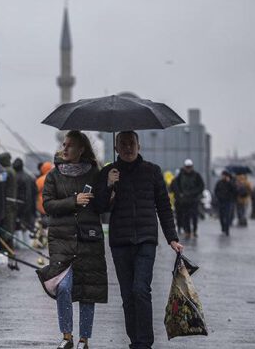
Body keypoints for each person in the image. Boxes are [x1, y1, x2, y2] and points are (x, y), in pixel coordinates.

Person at [94, 131, 183, 349]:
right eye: (122, 144)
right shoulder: (109, 172)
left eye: (131, 143)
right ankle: (135, 340)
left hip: (146, 239)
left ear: (139, 146)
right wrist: (108, 185)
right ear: (116, 148)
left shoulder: (152, 171)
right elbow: (99, 207)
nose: (127, 147)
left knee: (140, 289)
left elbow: (163, 206)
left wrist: (172, 237)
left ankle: (144, 343)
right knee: (127, 295)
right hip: (120, 241)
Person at [36, 130, 107, 349]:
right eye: (64, 145)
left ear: (81, 149)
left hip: (89, 238)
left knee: (87, 290)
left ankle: (84, 339)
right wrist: (73, 201)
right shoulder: (54, 175)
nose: (64, 148)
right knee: (64, 287)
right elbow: (48, 205)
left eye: (70, 145)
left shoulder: (95, 174)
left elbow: (103, 207)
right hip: (61, 238)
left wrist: (111, 186)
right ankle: (67, 336)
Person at [170, 159, 204, 238]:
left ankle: (194, 230)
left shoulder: (197, 175)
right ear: (184, 167)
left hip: (194, 200)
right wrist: (180, 195)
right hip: (184, 200)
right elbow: (175, 186)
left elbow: (201, 186)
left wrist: (195, 193)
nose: (188, 169)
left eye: (190, 167)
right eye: (187, 167)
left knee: (194, 216)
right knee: (186, 216)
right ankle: (187, 231)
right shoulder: (180, 176)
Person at [13, 157, 37, 247]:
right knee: (27, 227)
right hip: (30, 206)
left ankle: (20, 246)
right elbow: (35, 192)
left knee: (18, 227)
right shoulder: (29, 177)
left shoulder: (16, 177)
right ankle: (27, 246)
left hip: (19, 205)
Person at [0, 152, 17, 250]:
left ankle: (7, 247)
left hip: (6, 202)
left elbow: (1, 185)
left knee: (7, 225)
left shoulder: (6, 171)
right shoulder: (12, 170)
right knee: (10, 224)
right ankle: (10, 247)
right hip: (11, 201)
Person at [214, 170, 237, 235]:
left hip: (228, 201)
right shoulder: (219, 183)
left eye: (224, 175)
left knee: (227, 216)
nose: (223, 177)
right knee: (221, 216)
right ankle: (223, 227)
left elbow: (235, 190)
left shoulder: (230, 183)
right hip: (221, 201)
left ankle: (227, 229)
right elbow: (216, 190)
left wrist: (229, 182)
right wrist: (218, 197)